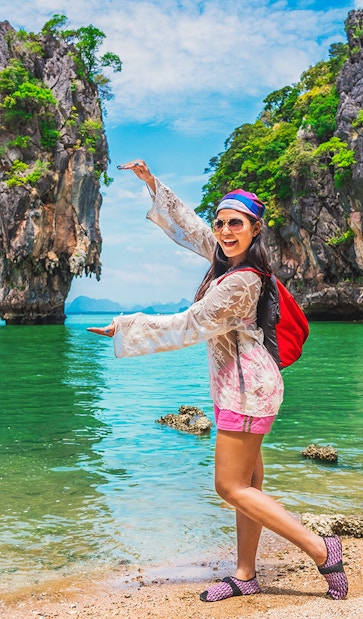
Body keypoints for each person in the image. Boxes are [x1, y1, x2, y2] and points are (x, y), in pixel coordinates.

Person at [88, 160, 348, 603]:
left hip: (247, 390)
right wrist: (155, 186)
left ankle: (321, 549)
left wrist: (125, 325)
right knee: (250, 487)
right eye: (222, 222)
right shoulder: (228, 261)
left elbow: (190, 324)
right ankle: (245, 573)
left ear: (256, 229)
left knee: (229, 487)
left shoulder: (241, 280)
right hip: (245, 385)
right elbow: (192, 230)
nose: (226, 231)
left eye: (237, 224)